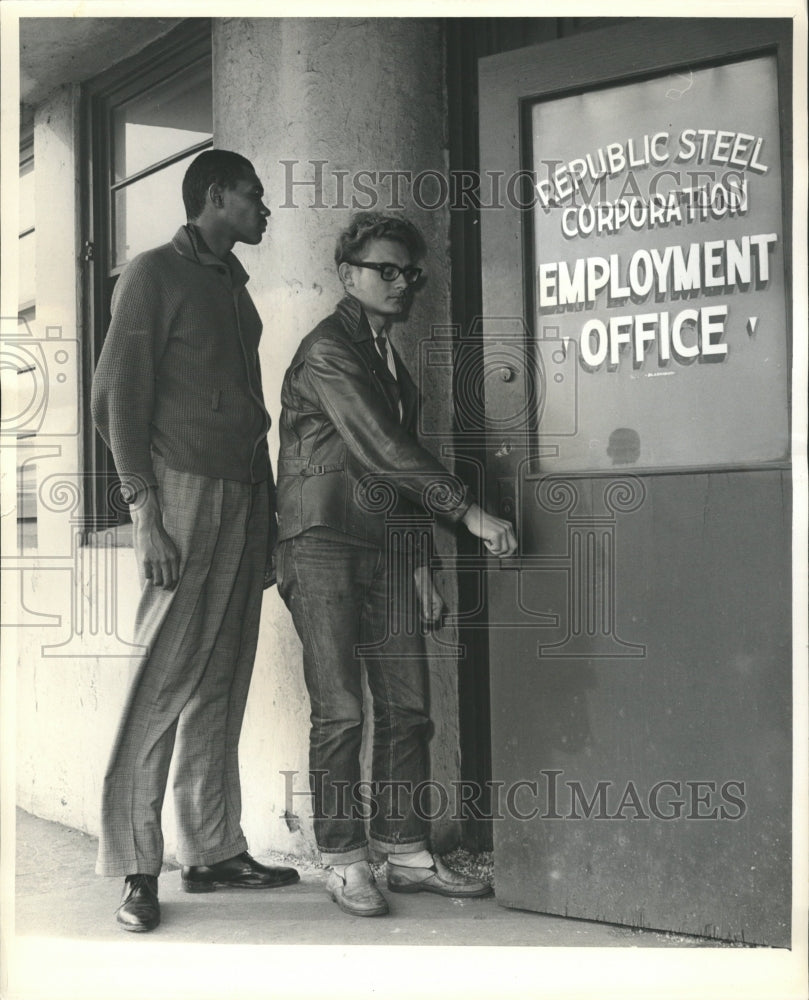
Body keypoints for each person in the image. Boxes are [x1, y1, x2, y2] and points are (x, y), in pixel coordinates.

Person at [275, 211, 518, 917]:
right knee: (341, 711)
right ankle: (344, 858)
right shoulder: (328, 350)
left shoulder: (389, 360)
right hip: (319, 542)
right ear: (347, 274)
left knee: (409, 707)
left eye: (409, 272)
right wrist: (467, 512)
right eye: (386, 269)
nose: (401, 282)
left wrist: (419, 565)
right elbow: (382, 448)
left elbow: (393, 472)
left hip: (384, 548)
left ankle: (405, 852)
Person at [91, 149, 298, 933]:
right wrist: (144, 511)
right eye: (254, 194)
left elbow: (250, 418)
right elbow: (117, 395)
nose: (265, 208)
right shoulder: (152, 273)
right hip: (180, 494)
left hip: (245, 499)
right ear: (215, 197)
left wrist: (270, 519)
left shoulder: (234, 291)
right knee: (161, 681)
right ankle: (137, 867)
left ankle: (211, 850)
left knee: (220, 677)